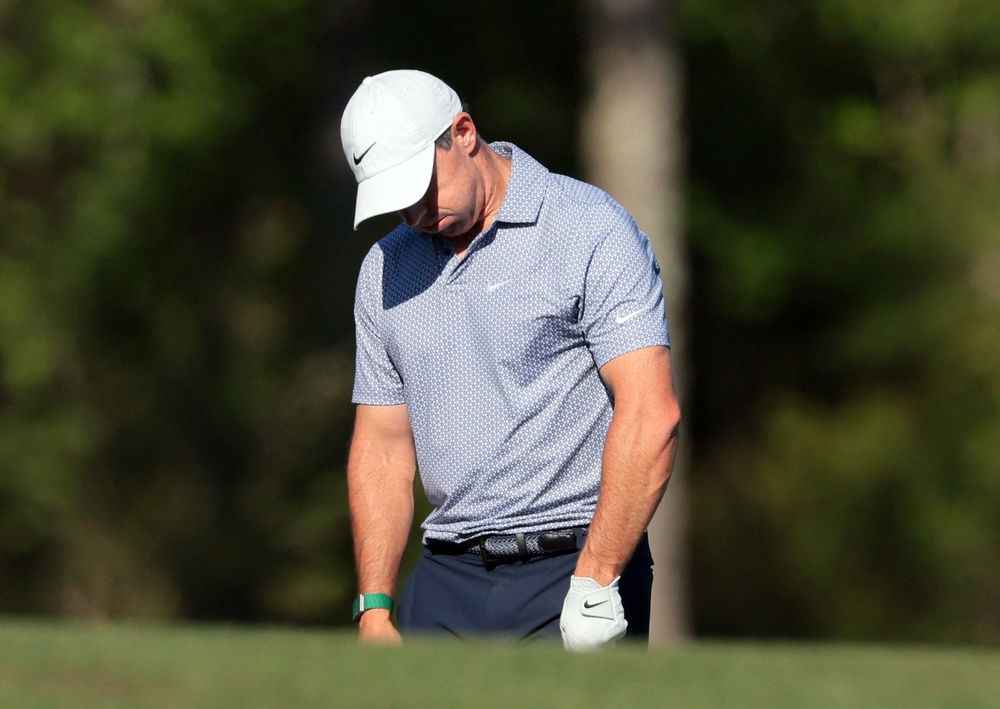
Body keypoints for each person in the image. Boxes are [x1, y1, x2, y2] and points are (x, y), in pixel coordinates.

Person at [340, 69, 680, 650]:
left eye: (421, 188)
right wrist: (374, 606)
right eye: (396, 202)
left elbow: (651, 414)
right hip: (445, 578)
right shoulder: (385, 269)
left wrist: (597, 582)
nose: (415, 214)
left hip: (574, 568)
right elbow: (382, 446)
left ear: (464, 132)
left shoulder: (587, 228)